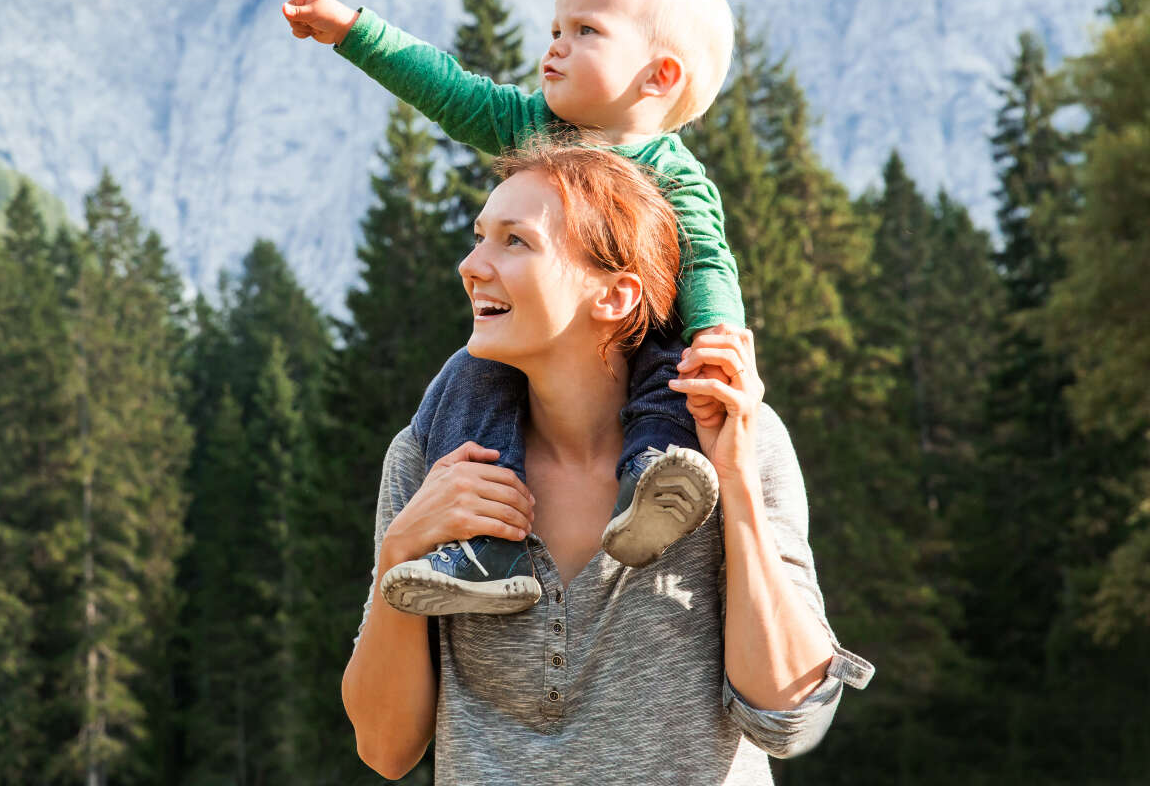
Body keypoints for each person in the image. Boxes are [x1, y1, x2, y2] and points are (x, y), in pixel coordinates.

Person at [341, 143, 873, 782]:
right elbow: (385, 747)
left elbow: (787, 719)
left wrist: (734, 485)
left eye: (515, 242)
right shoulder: (432, 459)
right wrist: (400, 553)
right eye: (479, 237)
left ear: (616, 296)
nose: (471, 265)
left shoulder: (734, 441)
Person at [269, 0, 742, 611]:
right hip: (534, 342)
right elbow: (446, 89)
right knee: (471, 378)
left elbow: (709, 265)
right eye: (554, 29)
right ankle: (488, 548)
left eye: (585, 31)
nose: (555, 46)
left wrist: (719, 337)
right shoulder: (533, 126)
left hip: (636, 336)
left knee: (672, 371)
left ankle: (651, 485)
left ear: (660, 76)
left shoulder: (674, 175)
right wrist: (351, 29)